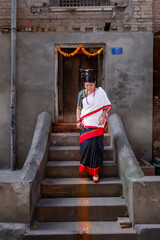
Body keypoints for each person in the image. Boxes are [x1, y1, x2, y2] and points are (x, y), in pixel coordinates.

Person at [76, 73, 112, 183]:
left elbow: (106, 107)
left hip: (97, 123)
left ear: (94, 83)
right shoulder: (81, 94)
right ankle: (87, 168)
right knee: (86, 146)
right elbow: (78, 108)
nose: (89, 88)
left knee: (96, 147)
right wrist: (78, 120)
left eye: (91, 85)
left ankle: (95, 172)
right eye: (86, 85)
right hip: (86, 123)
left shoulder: (100, 93)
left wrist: (103, 116)